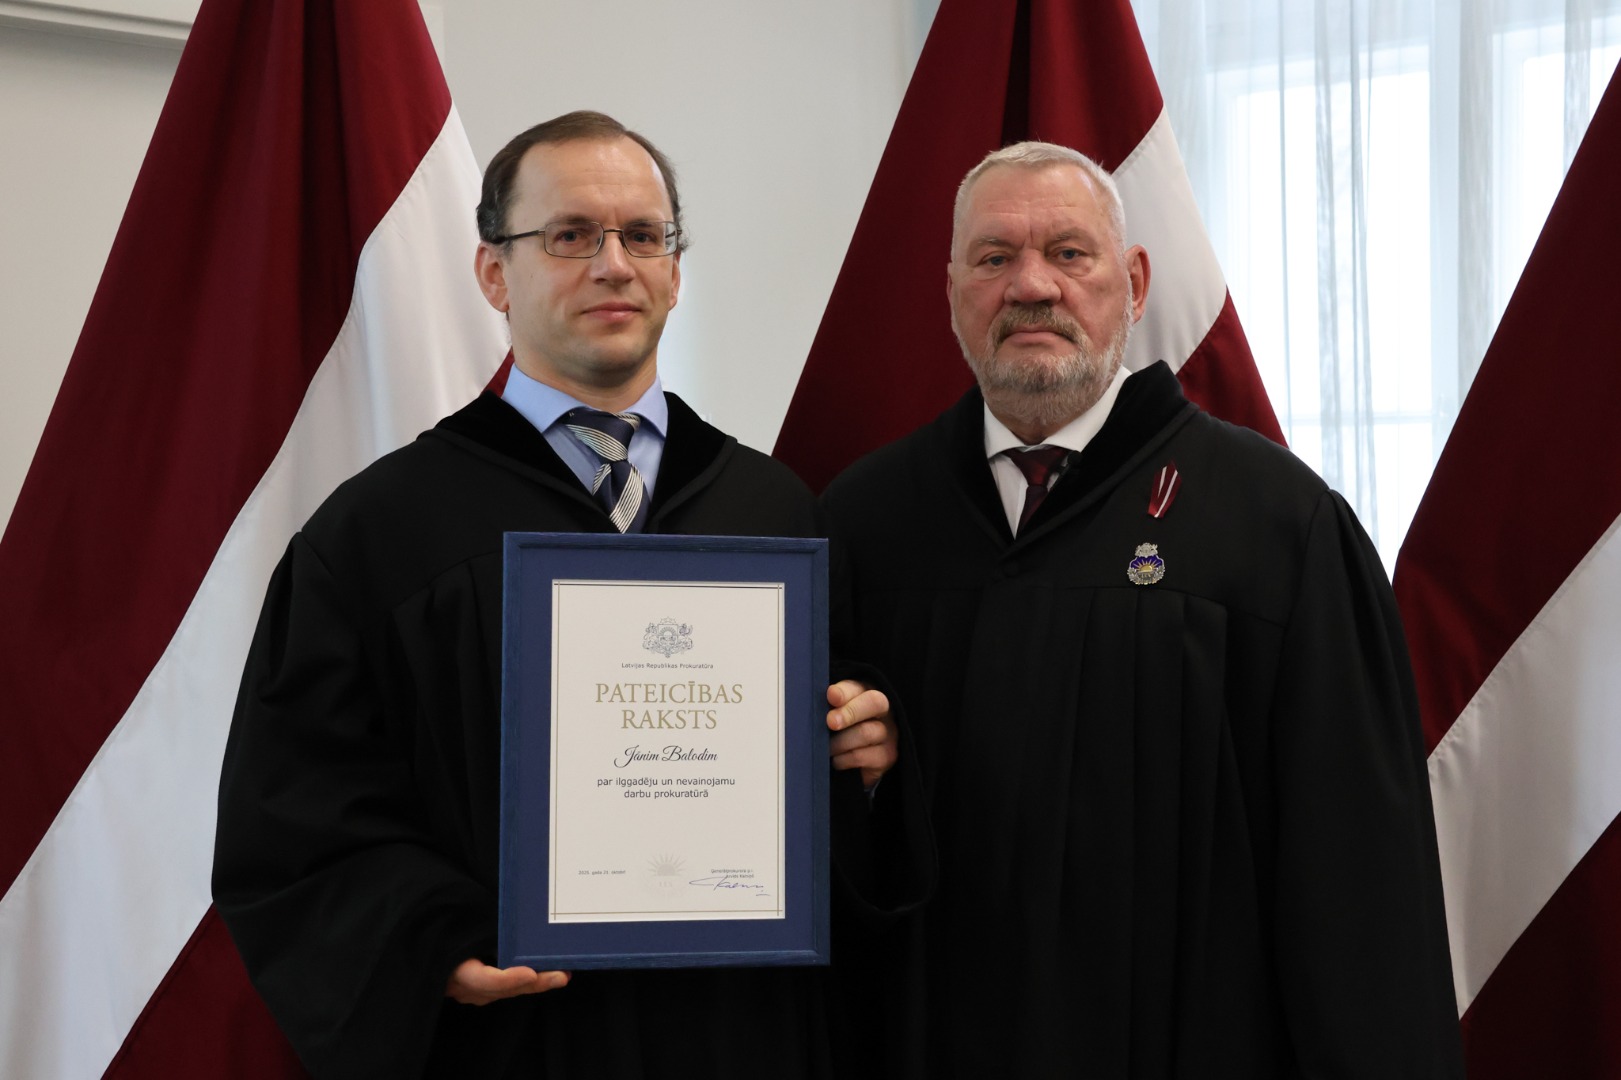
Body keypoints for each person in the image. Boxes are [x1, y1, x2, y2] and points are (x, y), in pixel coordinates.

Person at [213, 111, 912, 1079]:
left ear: (674, 269)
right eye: (571, 235)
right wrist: (431, 944)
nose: (613, 265)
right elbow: (294, 812)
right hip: (518, 1037)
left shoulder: (775, 510)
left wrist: (864, 755)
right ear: (493, 273)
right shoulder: (382, 531)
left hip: (739, 1028)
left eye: (643, 235)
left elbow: (831, 805)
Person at [821, 142, 1463, 1077]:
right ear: (951, 291)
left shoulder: (1275, 527)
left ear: (1132, 284)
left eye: (1068, 253)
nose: (1030, 286)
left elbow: (1357, 881)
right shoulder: (865, 522)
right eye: (994, 258)